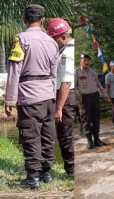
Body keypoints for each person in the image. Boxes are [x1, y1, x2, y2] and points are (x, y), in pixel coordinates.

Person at [4, 4, 59, 190]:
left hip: (29, 94)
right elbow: (54, 73)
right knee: (47, 134)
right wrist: (53, 96)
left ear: (24, 20)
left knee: (31, 135)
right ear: (43, 20)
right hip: (48, 95)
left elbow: (14, 70)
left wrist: (10, 99)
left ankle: (33, 178)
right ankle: (47, 173)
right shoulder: (51, 41)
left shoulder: (20, 40)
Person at [47, 18, 76, 175]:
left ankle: (71, 169)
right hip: (61, 95)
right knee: (62, 134)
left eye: (54, 39)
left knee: (65, 135)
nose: (53, 42)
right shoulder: (63, 49)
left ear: (63, 37)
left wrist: (58, 108)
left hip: (65, 97)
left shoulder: (68, 53)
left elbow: (65, 82)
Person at [75, 54, 106, 149]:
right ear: (80, 61)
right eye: (84, 60)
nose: (86, 62)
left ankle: (96, 139)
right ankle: (89, 140)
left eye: (88, 60)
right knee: (86, 120)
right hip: (84, 99)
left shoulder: (93, 72)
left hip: (95, 97)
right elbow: (74, 87)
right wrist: (78, 98)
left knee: (96, 119)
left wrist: (105, 94)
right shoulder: (76, 72)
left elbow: (98, 84)